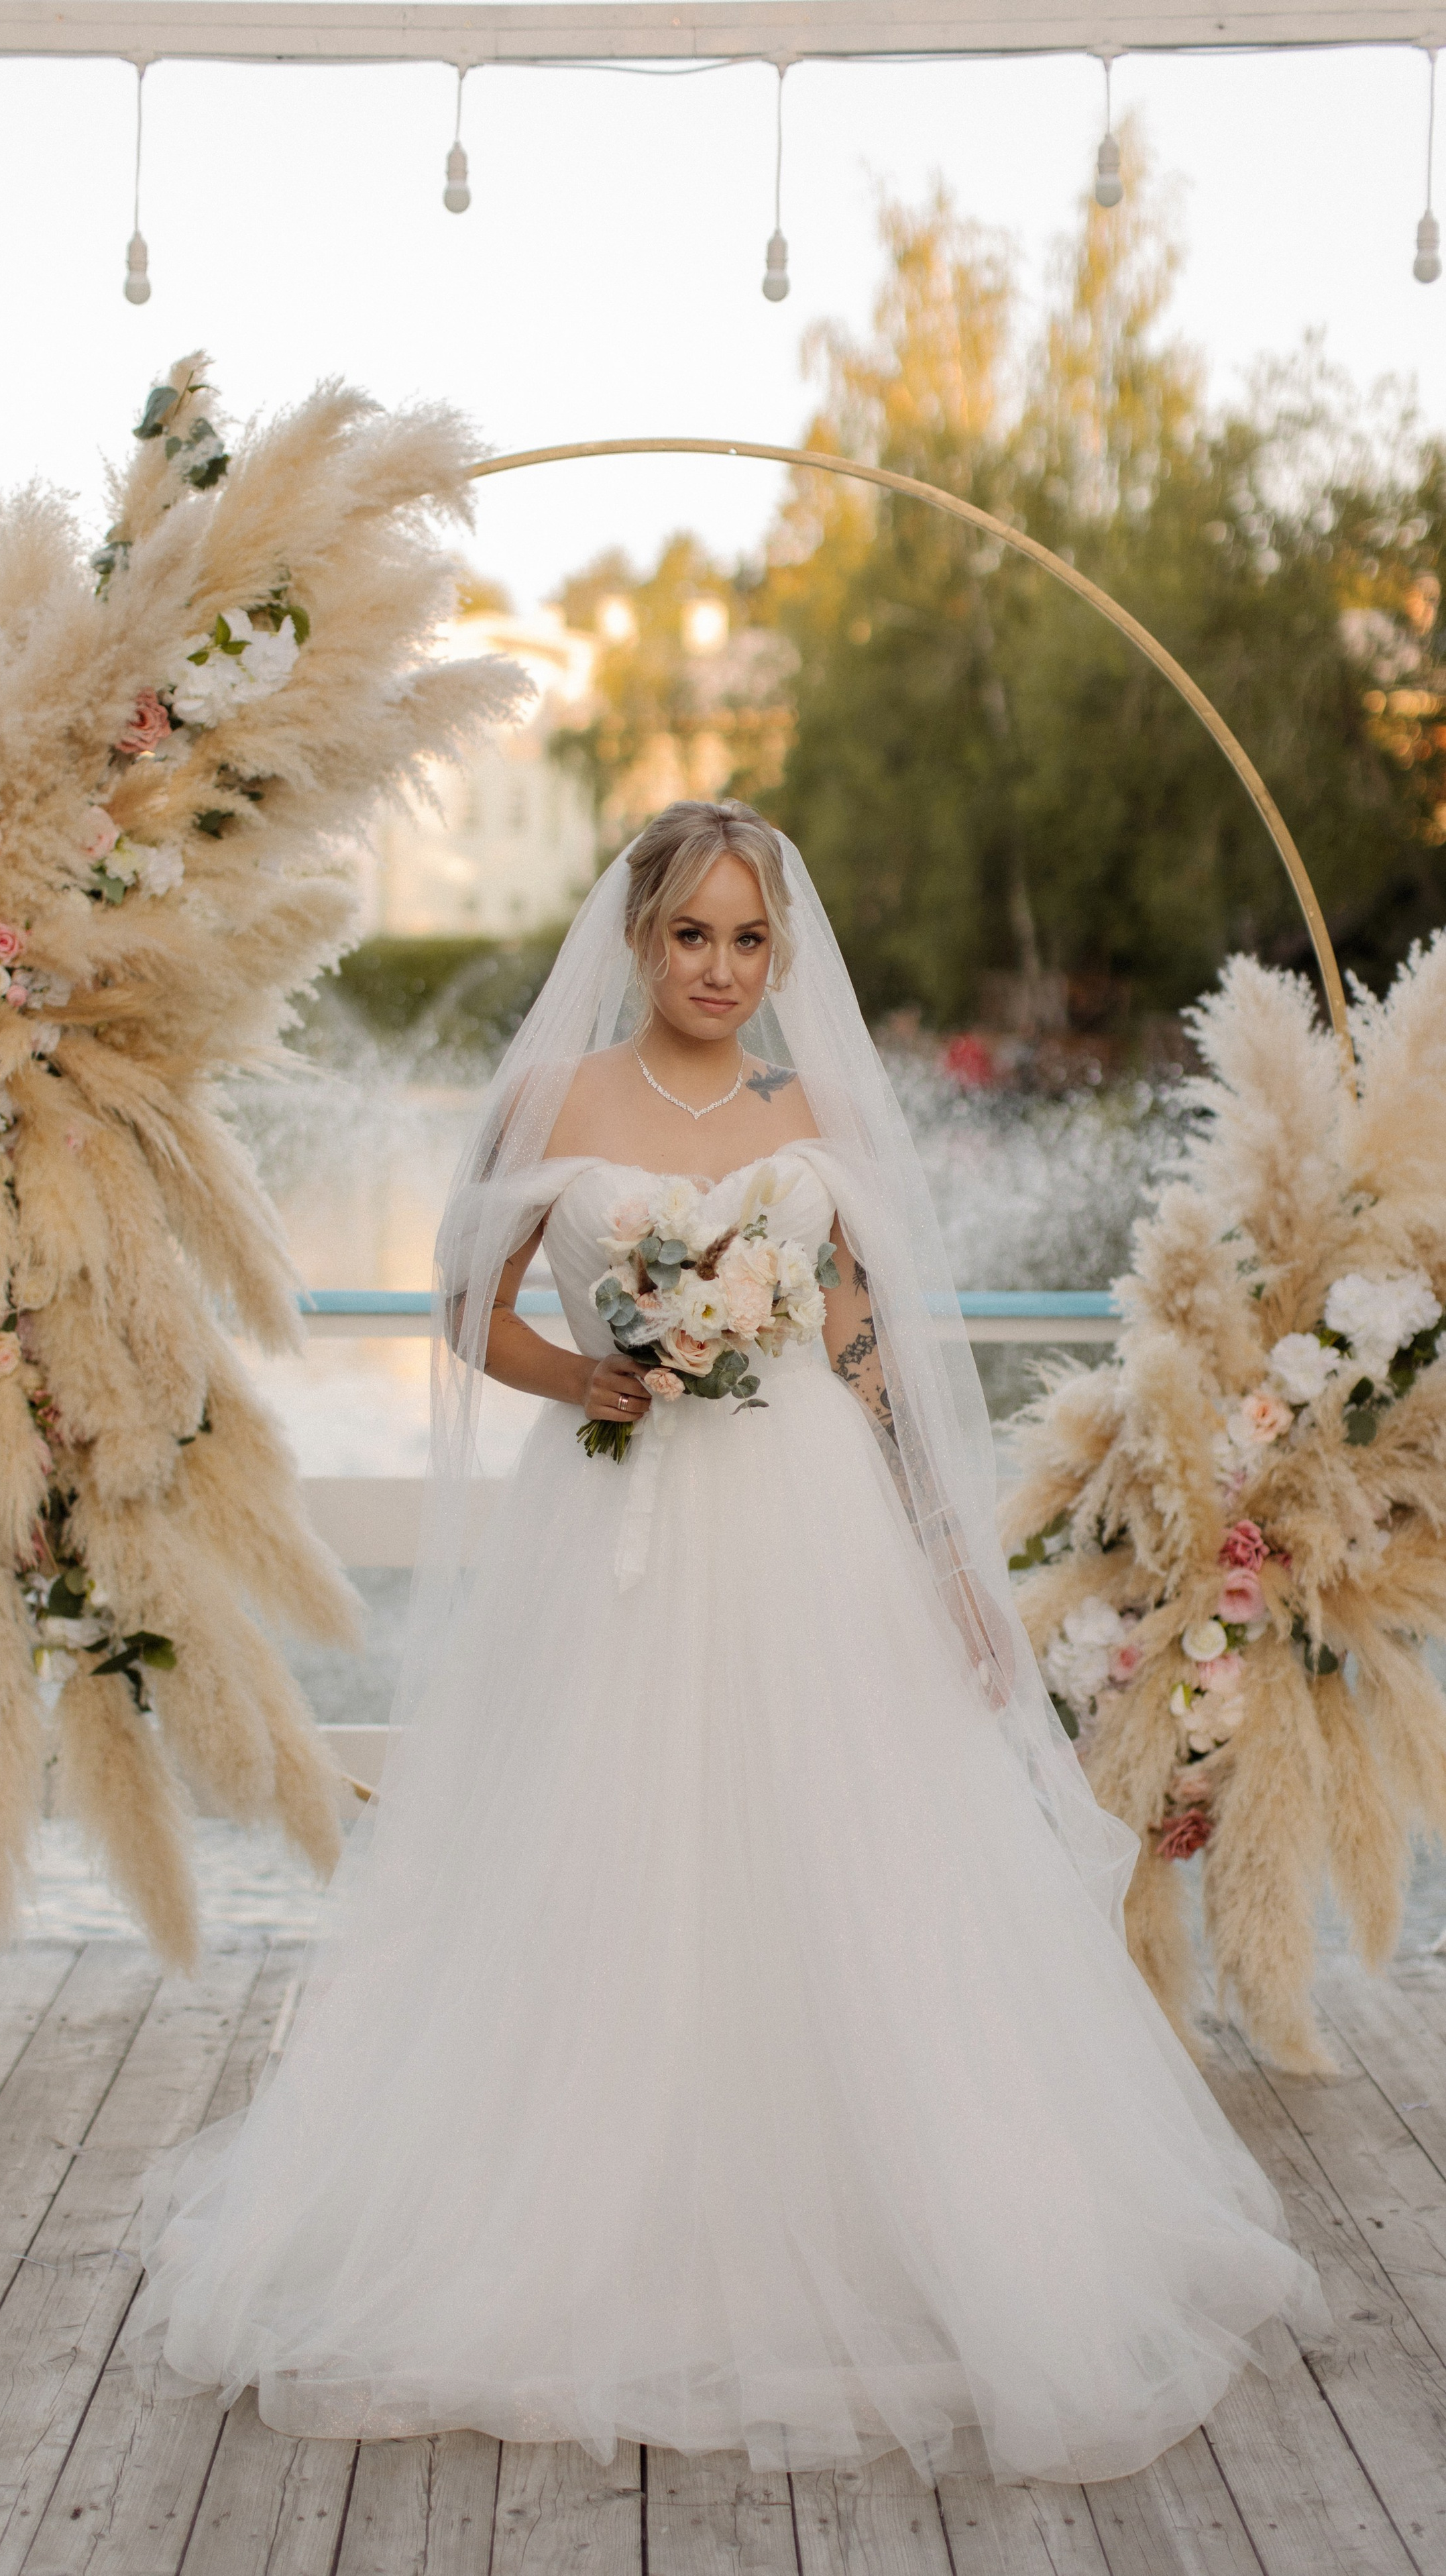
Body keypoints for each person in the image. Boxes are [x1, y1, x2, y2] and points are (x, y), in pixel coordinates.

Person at [133, 800, 1327, 2483]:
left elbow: (863, 1347)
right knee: (596, 1857)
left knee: (839, 1853)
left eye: (746, 938)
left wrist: (943, 1558)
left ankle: (869, 2210)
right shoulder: (555, 1098)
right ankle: (581, 2213)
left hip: (803, 1523)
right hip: (609, 1533)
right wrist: (591, 1375)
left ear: (781, 951)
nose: (718, 966)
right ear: (635, 938)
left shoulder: (810, 1107)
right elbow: (465, 1305)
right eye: (689, 933)